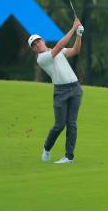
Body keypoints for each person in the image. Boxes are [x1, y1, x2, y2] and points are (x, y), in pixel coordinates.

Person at [28, 18, 83, 164]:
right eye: (34, 45)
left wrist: (79, 35)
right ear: (33, 49)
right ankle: (47, 148)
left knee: (72, 124)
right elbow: (59, 47)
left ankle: (69, 157)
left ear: (43, 41)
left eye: (38, 41)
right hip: (61, 91)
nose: (37, 44)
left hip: (75, 88)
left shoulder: (55, 51)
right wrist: (72, 29)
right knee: (59, 125)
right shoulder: (42, 58)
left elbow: (76, 50)